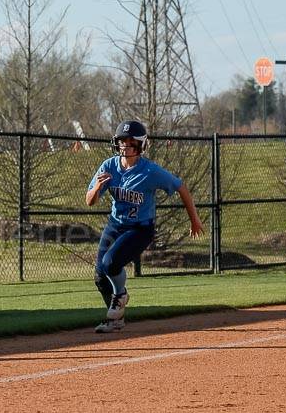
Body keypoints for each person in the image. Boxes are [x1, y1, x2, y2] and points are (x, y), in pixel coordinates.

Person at [86, 120, 204, 333]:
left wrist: (194, 219)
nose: (126, 146)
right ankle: (116, 320)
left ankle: (120, 295)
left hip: (140, 228)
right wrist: (96, 188)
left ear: (141, 145)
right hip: (116, 225)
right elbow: (89, 201)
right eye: (122, 141)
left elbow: (181, 187)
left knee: (110, 262)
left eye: (131, 142)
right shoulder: (109, 166)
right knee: (100, 276)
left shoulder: (150, 171)